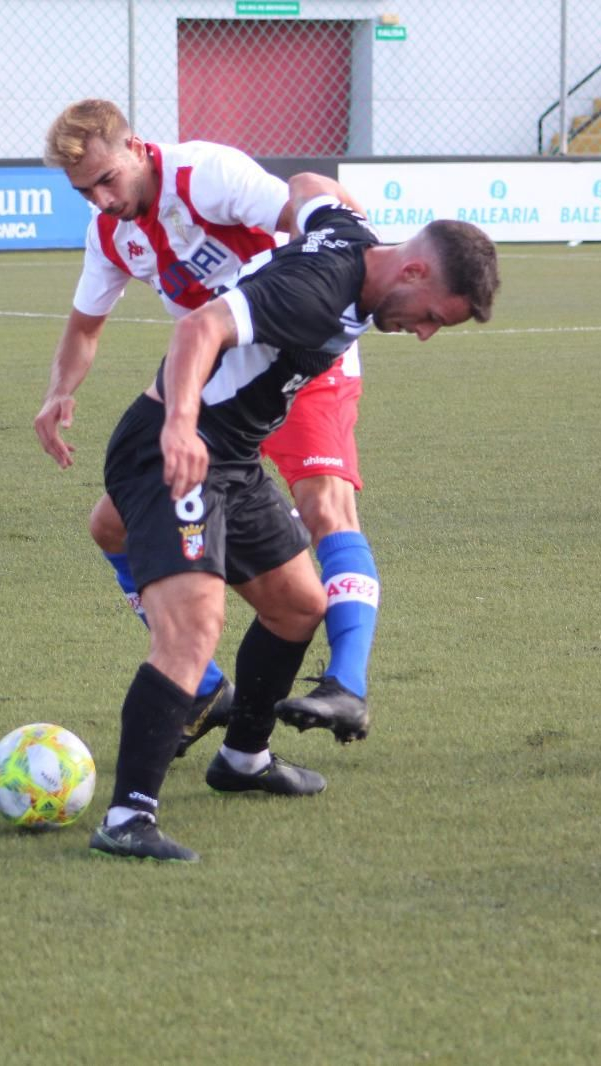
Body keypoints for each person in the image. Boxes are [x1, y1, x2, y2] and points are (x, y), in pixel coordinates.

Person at [86, 178, 499, 862]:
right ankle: (129, 816)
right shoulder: (317, 288)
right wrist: (182, 429)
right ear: (415, 270)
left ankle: (243, 759)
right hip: (174, 448)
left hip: (235, 457)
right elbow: (201, 326)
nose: (424, 333)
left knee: (299, 608)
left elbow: (309, 186)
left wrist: (339, 212)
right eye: (432, 315)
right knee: (194, 629)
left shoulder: (349, 234)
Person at [35, 100, 381, 755]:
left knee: (327, 507)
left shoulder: (207, 174)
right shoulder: (109, 232)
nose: (102, 200)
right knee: (110, 525)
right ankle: (205, 685)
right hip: (216, 388)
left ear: (135, 146)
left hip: (298, 361)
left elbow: (313, 216)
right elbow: (85, 326)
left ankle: (346, 684)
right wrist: (59, 393)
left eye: (108, 180)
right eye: (85, 191)